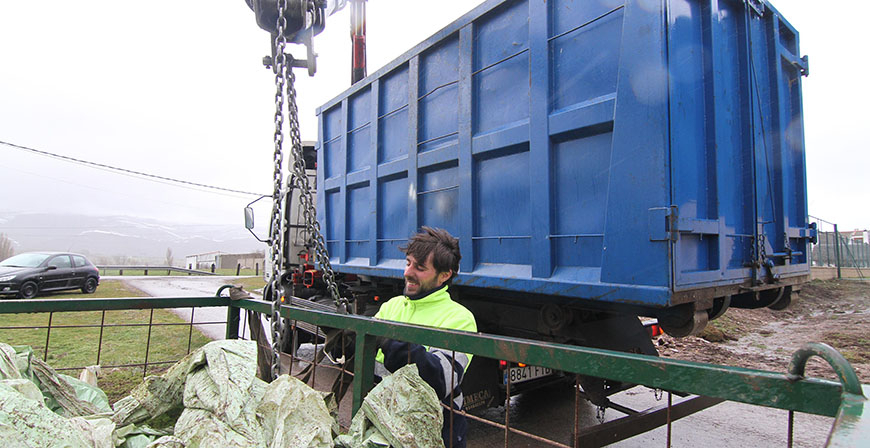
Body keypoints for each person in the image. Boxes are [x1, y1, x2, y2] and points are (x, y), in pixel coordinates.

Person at [374, 226, 477, 448]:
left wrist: (389, 343)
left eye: (420, 267)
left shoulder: (460, 319)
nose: (407, 273)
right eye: (408, 263)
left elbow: (439, 380)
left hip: (437, 432)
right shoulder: (392, 306)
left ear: (445, 275)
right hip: (385, 423)